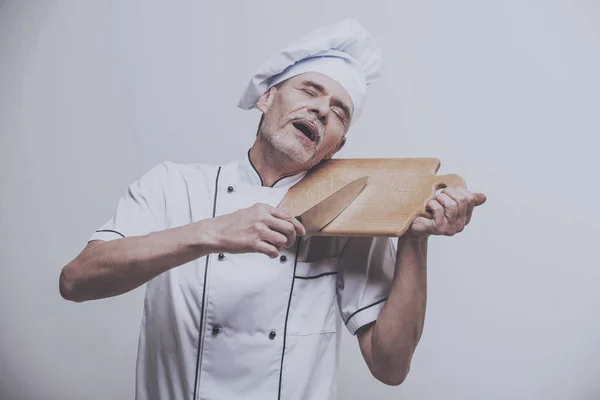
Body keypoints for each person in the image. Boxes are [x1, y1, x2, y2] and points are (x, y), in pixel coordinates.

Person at [60, 19, 486, 400]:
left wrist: (414, 238)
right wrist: (211, 233)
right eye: (309, 90)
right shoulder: (172, 185)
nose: (321, 109)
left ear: (336, 146)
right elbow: (77, 281)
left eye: (339, 111)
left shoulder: (353, 217)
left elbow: (390, 367)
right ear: (267, 98)